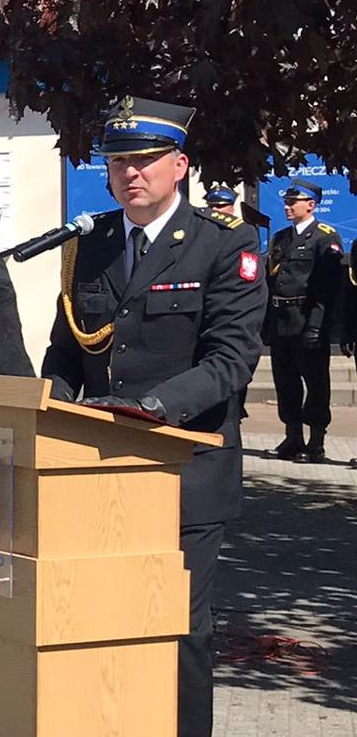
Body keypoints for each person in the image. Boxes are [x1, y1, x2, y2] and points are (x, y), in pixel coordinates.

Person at [39, 96, 261, 737]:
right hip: (97, 471)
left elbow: (230, 361)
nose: (128, 174)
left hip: (185, 470)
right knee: (102, 620)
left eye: (143, 161)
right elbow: (66, 349)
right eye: (116, 163)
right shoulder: (93, 244)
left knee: (180, 629)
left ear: (180, 165)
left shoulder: (226, 245)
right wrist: (48, 403)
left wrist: (153, 410)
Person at [262, 180, 341, 462]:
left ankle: (316, 442)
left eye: (293, 201)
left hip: (306, 318)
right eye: (286, 201)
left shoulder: (324, 237)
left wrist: (317, 325)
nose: (287, 206)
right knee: (286, 382)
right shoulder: (281, 237)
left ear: (311, 204)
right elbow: (272, 281)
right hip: (281, 319)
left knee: (316, 383)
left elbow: (327, 288)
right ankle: (292, 437)